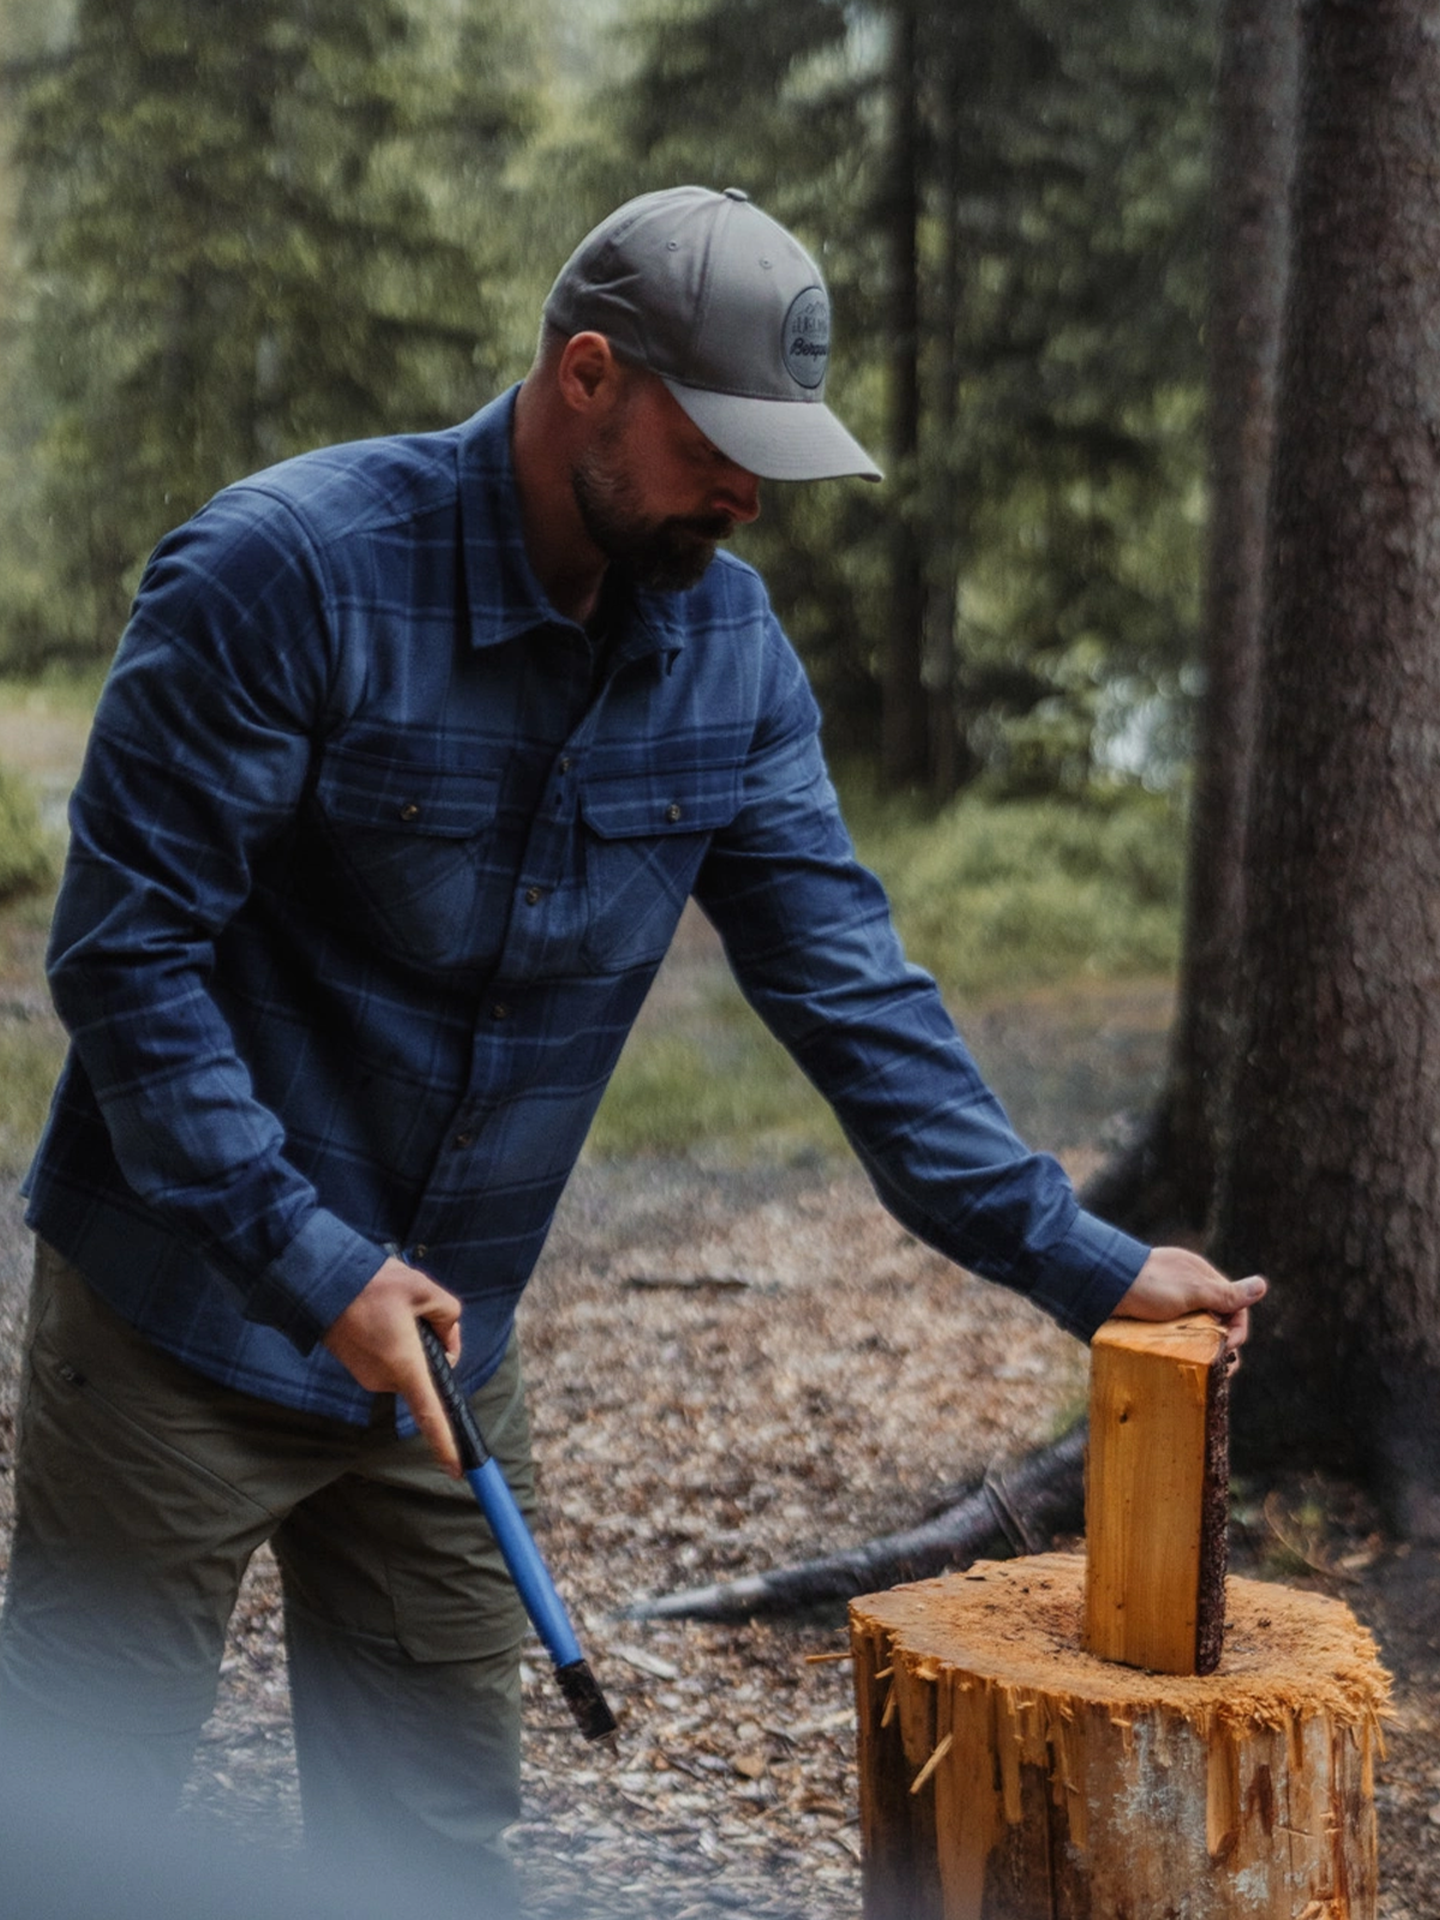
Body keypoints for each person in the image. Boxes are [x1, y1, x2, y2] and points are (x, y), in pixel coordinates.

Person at [0, 185, 1264, 1906]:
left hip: (445, 1364)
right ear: (586, 374)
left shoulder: (729, 656)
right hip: (174, 1323)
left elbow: (855, 995)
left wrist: (1088, 1263)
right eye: (718, 445)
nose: (750, 496)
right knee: (75, 1832)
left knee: (435, 1857)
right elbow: (124, 963)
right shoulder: (283, 573)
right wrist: (311, 1265)